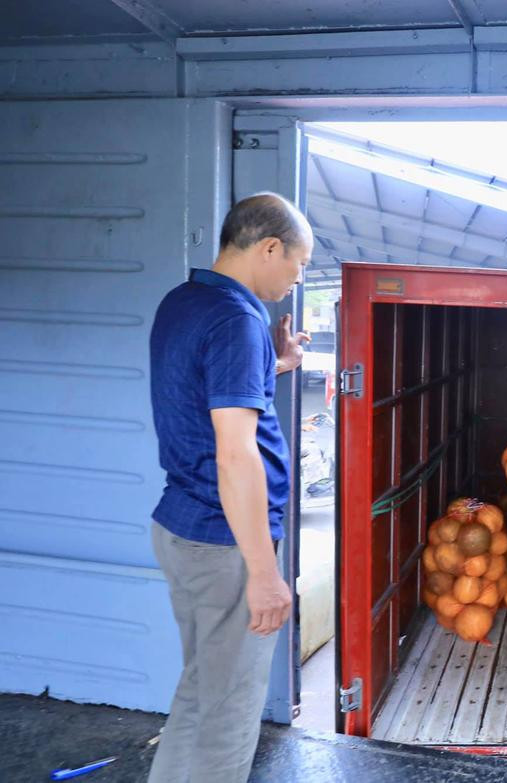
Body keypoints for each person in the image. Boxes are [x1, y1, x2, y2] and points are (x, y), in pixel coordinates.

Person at [147, 193, 313, 783]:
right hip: (227, 546)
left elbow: (205, 388)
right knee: (226, 719)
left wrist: (278, 365)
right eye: (297, 264)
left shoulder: (186, 301)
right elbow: (236, 455)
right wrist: (265, 576)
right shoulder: (238, 320)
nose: (297, 279)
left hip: (182, 528)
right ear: (269, 247)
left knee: (200, 694)